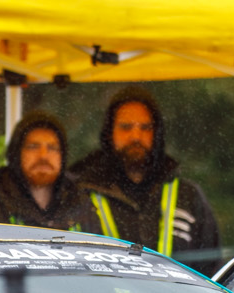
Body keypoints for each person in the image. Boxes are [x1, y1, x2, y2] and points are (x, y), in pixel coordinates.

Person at [68, 90, 219, 255]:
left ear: (157, 134)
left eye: (145, 128)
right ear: (109, 133)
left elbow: (211, 263)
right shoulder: (82, 194)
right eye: (126, 127)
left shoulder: (187, 195)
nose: (136, 136)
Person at [0, 111, 96, 230]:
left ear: (63, 156)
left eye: (52, 148)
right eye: (33, 146)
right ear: (16, 154)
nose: (43, 156)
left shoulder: (83, 213)